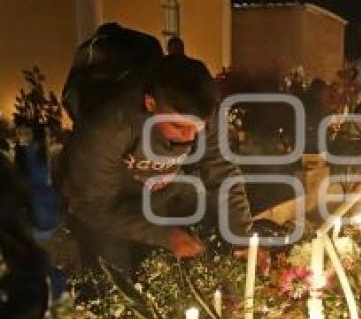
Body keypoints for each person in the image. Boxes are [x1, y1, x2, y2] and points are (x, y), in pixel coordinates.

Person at [58, 55, 255, 276]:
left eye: (198, 127)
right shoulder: (109, 128)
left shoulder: (205, 111)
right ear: (150, 104)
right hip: (102, 209)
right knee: (113, 281)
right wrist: (165, 236)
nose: (190, 137)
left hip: (154, 199)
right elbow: (91, 205)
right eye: (178, 126)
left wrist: (242, 238)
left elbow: (222, 171)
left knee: (156, 273)